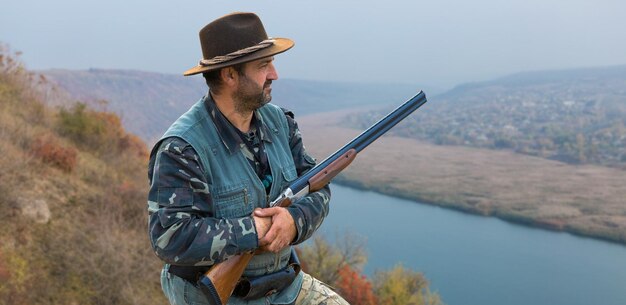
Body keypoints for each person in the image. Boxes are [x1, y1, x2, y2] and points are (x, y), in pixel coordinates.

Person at [147, 12, 349, 305]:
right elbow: (170, 237)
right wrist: (256, 230)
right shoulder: (182, 148)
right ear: (230, 75)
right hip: (221, 297)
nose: (274, 74)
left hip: (284, 286)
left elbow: (318, 188)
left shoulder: (280, 122)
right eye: (263, 65)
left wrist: (294, 220)